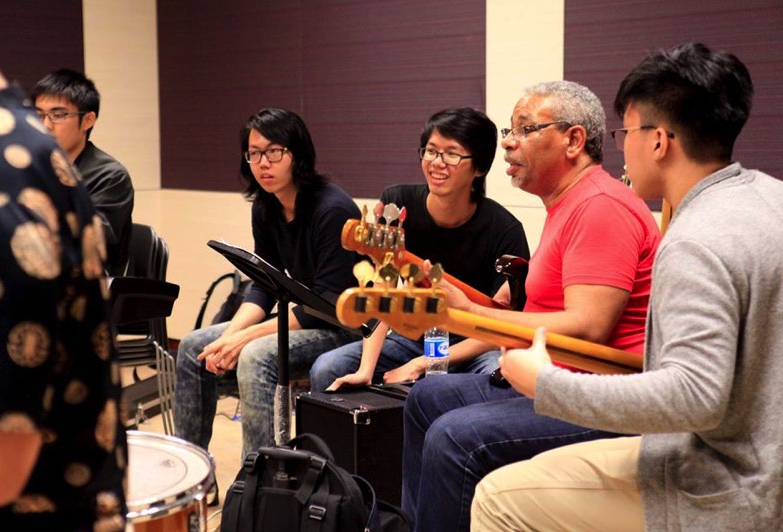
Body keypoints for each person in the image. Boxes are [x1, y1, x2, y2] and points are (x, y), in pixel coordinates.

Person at [472, 43, 783, 532]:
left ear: (659, 141)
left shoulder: (694, 240)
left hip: (728, 484)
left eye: (625, 132)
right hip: (758, 455)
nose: (620, 147)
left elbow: (694, 397)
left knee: (496, 498)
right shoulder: (770, 196)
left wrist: (546, 383)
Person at [402, 81, 662, 531]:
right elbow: (529, 314)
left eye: (525, 129)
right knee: (426, 395)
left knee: (453, 437)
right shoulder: (566, 204)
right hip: (544, 369)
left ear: (573, 141)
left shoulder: (598, 205)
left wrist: (468, 313)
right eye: (510, 129)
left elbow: (588, 326)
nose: (507, 141)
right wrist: (454, 321)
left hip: (596, 390)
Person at [0, 4, 126, 529]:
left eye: (59, 113)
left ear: (88, 120)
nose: (48, 122)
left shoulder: (1, 172)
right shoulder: (25, 157)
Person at [174, 108, 362, 463]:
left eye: (274, 152)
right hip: (306, 317)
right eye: (255, 153)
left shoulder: (333, 210)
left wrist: (244, 338)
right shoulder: (266, 206)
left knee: (255, 355)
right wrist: (230, 333)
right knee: (192, 346)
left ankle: (258, 482)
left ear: (298, 154)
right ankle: (194, 471)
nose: (264, 163)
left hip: (345, 328)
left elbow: (327, 303)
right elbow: (263, 286)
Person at [309, 107, 531, 392]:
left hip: (473, 345)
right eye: (431, 151)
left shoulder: (505, 230)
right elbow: (383, 290)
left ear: (479, 167)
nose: (438, 163)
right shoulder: (397, 203)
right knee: (327, 368)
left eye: (452, 154)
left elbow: (506, 325)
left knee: (498, 381)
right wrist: (366, 369)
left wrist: (424, 362)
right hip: (413, 334)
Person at [32, 68, 134, 276]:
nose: (45, 125)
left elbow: (92, 241)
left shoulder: (111, 176)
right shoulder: (33, 166)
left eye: (58, 115)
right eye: (38, 115)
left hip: (85, 283)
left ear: (88, 120)